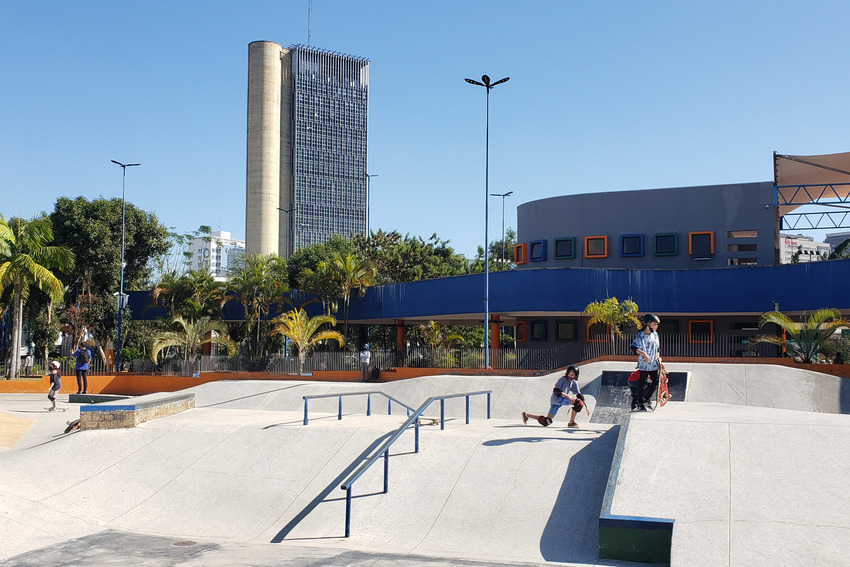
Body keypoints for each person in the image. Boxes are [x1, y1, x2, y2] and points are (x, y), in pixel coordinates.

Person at [522, 365, 587, 428]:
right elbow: (555, 390)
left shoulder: (574, 382)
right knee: (578, 403)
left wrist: (585, 404)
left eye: (572, 375)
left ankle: (526, 415)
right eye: (569, 374)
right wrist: (568, 396)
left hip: (556, 402)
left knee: (547, 421)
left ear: (576, 375)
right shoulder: (563, 379)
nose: (570, 376)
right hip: (557, 399)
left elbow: (578, 394)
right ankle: (571, 422)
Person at [630, 313, 662, 411]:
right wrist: (644, 354)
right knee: (642, 382)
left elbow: (657, 348)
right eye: (655, 324)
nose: (656, 326)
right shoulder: (640, 335)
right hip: (644, 364)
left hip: (653, 363)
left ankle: (646, 399)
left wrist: (658, 357)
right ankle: (640, 403)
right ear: (648, 323)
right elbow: (634, 347)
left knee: (655, 381)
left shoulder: (655, 335)